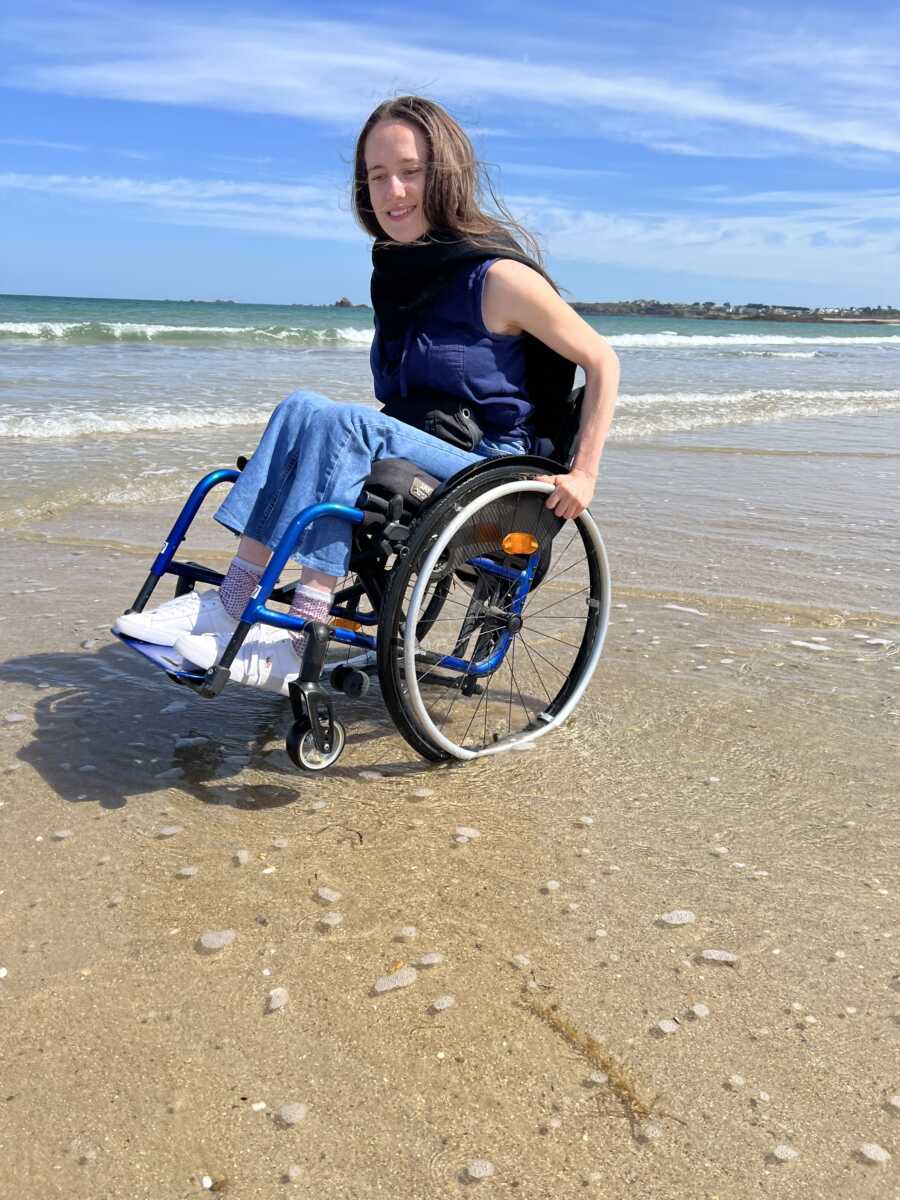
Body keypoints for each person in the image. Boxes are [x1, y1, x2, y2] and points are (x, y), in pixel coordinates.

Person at [114, 96, 620, 692]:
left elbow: (602, 360)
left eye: (411, 172)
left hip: (488, 468)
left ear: (446, 177)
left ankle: (303, 630)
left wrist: (583, 475)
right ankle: (231, 601)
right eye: (378, 176)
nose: (393, 191)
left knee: (346, 423)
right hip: (425, 444)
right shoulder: (400, 273)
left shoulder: (498, 277)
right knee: (302, 405)